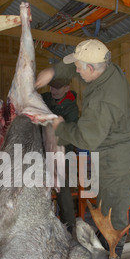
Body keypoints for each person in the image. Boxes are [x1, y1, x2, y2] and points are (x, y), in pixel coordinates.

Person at [36, 39, 130, 257]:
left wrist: (60, 127)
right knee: (104, 210)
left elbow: (86, 139)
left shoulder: (104, 101)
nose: (75, 70)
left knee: (114, 216)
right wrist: (53, 71)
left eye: (79, 67)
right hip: (108, 153)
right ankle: (104, 247)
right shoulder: (108, 69)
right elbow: (75, 66)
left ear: (91, 68)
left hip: (116, 161)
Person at [42, 78, 79, 232]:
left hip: (64, 151)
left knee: (62, 191)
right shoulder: (45, 98)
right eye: (51, 87)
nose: (53, 90)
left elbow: (68, 132)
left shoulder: (71, 107)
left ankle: (70, 228)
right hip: (43, 148)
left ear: (67, 88)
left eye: (58, 88)